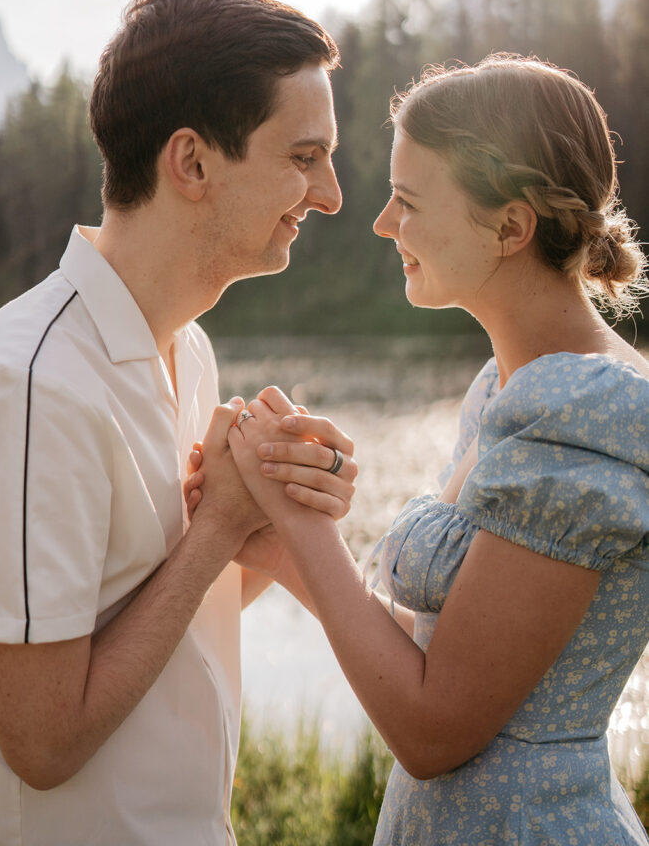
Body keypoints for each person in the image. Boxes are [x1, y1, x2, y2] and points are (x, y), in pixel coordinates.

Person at [196, 55, 649, 844]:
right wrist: (278, 544)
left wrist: (303, 525)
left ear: (510, 227)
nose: (381, 223)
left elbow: (434, 731)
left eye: (406, 201)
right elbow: (448, 648)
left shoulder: (582, 410)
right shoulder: (506, 388)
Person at [0, 0, 357, 846]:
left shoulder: (188, 347)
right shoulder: (34, 382)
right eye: (303, 157)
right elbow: (41, 743)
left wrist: (272, 516)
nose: (329, 195)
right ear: (192, 163)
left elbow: (166, 614)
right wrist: (218, 527)